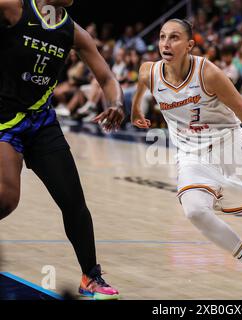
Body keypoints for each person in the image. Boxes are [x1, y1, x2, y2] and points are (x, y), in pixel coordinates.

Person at [131, 19, 242, 300]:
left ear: (189, 45)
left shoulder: (208, 73)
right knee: (194, 210)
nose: (166, 43)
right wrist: (134, 110)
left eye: (174, 38)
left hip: (231, 147)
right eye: (162, 37)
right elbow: (142, 85)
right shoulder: (149, 71)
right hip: (191, 154)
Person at [0, 0, 125, 300]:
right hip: (5, 119)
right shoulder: (13, 8)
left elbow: (107, 78)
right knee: (6, 200)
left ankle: (90, 278)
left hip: (42, 123)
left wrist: (117, 103)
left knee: (73, 201)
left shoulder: (73, 32)